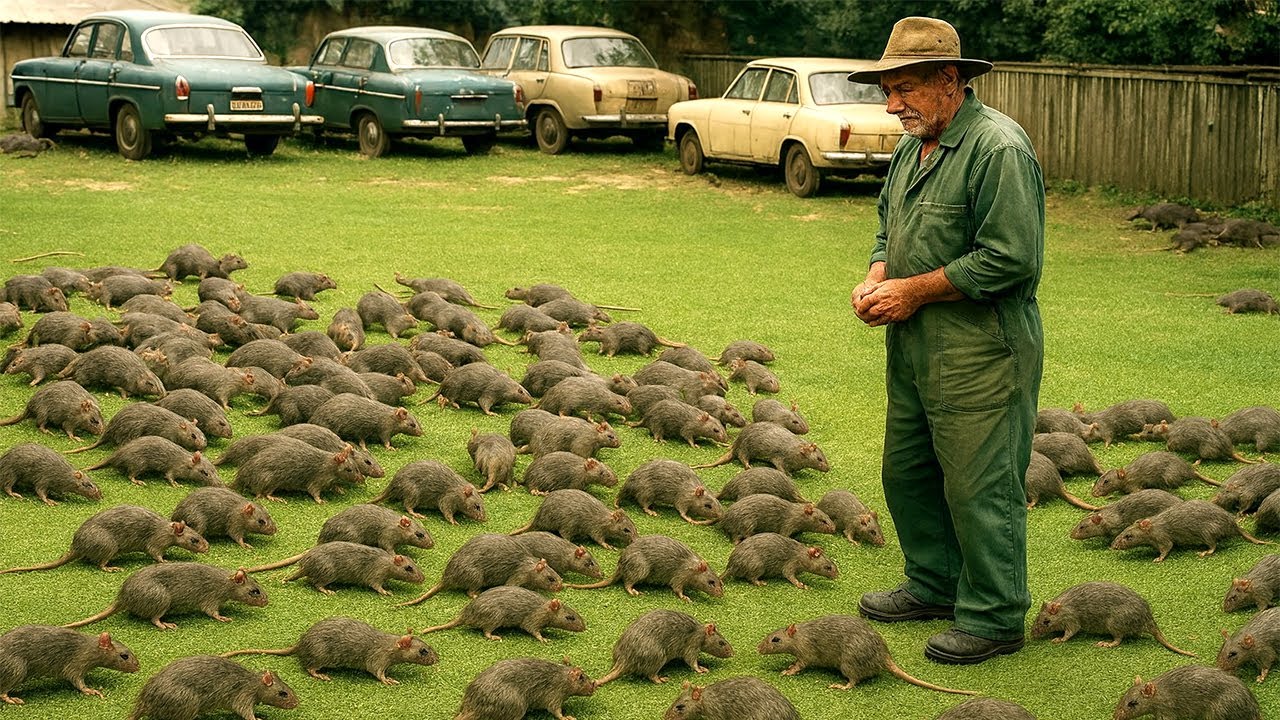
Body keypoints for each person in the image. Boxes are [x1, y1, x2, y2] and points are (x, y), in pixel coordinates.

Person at [847, 16, 1045, 665]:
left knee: (978, 485)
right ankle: (933, 584)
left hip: (981, 352)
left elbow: (1011, 260)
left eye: (904, 89)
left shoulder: (999, 148)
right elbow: (888, 226)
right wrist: (879, 275)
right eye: (888, 89)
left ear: (949, 80)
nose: (891, 104)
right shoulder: (914, 147)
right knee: (907, 472)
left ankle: (993, 615)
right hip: (913, 345)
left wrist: (912, 291)